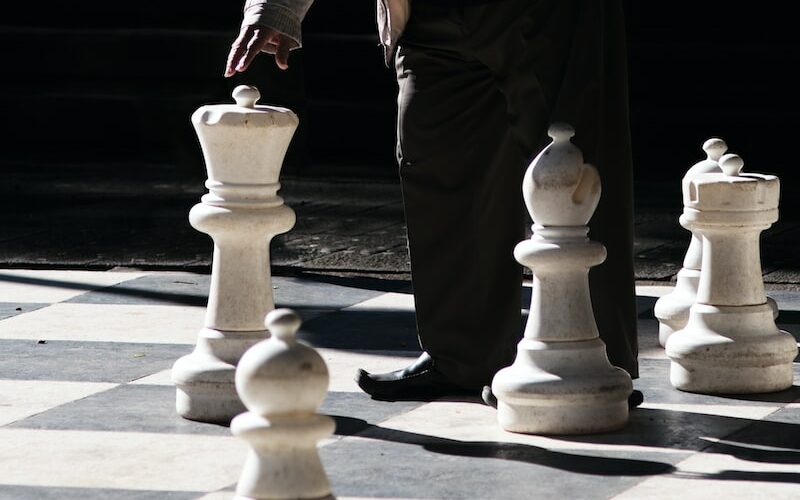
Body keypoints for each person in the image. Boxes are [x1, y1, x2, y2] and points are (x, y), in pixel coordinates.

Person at [225, 0, 641, 407]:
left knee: (572, 170)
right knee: (437, 161)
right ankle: (462, 358)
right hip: (429, 16)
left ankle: (593, 362)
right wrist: (274, 7)